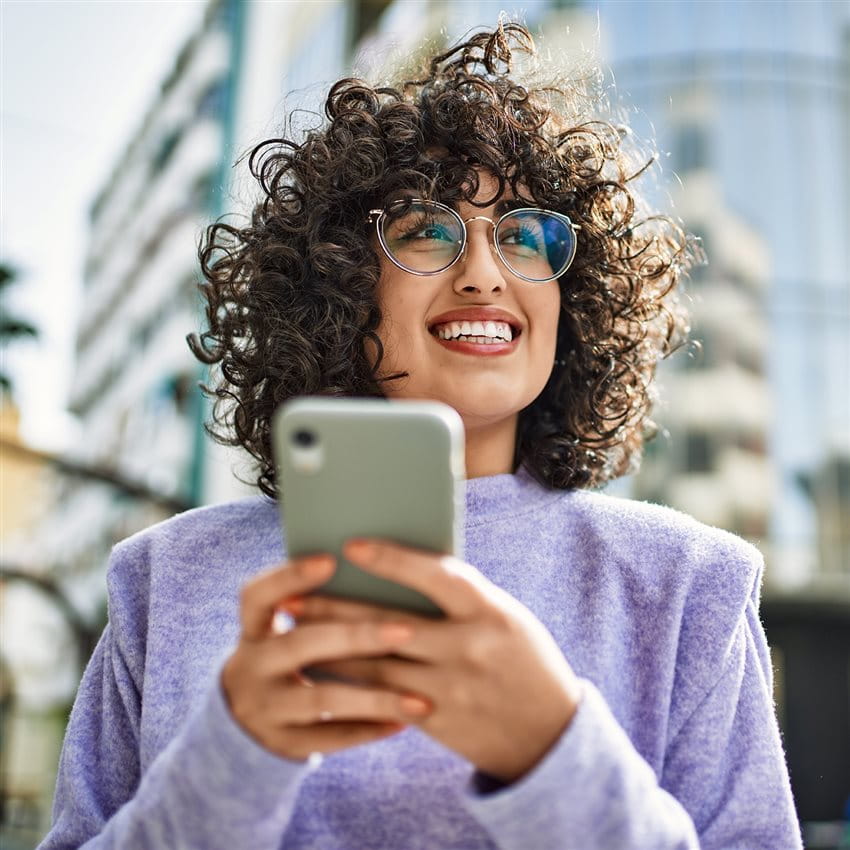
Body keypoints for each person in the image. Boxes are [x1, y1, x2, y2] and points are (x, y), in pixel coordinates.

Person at [39, 22, 802, 850]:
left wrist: (553, 752)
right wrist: (233, 757)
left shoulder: (690, 586)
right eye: (426, 231)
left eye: (525, 234)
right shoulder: (165, 579)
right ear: (340, 283)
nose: (484, 270)